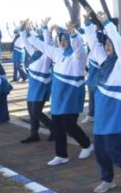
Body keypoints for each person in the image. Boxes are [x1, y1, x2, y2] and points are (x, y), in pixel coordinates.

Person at [82, 7, 121, 193]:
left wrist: (108, 25)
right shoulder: (104, 63)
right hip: (103, 117)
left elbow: (120, 44)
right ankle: (107, 179)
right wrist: (88, 25)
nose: (108, 46)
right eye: (106, 44)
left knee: (113, 150)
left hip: (118, 115)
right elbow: (94, 45)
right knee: (101, 151)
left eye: (111, 44)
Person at [26, 20, 94, 166]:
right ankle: (61, 154)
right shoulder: (58, 53)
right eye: (61, 39)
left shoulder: (78, 57)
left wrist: (73, 35)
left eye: (65, 39)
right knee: (57, 125)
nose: (63, 42)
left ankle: (87, 145)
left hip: (71, 94)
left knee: (69, 124)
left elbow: (79, 49)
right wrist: (28, 34)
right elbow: (43, 46)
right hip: (58, 95)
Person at [18, 20, 54, 143]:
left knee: (36, 112)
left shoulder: (46, 55)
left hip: (42, 87)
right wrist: (23, 28)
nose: (34, 45)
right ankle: (34, 134)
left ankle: (54, 129)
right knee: (31, 112)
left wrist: (44, 26)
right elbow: (25, 40)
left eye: (37, 43)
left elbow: (48, 42)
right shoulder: (34, 54)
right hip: (33, 88)